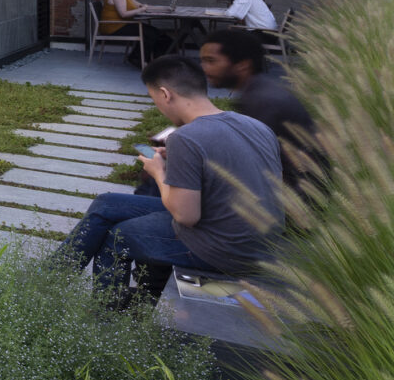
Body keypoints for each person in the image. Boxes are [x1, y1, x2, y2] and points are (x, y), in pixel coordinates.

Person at [57, 55, 283, 297]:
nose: (159, 107)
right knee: (107, 202)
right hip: (258, 241)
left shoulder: (185, 137)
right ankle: (50, 278)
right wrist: (175, 159)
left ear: (165, 94)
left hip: (225, 250)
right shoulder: (255, 125)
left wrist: (158, 171)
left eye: (155, 100)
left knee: (117, 237)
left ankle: (108, 319)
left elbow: (186, 216)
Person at [198, 27, 322, 193]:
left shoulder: (263, 102)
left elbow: (248, 165)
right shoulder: (259, 92)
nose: (204, 68)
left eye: (211, 61)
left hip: (288, 200)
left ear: (242, 65)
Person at [97, 0, 171, 65]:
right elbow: (123, 14)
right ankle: (139, 60)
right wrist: (140, 10)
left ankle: (149, 60)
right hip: (113, 27)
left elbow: (143, 6)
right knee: (151, 33)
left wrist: (165, 8)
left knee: (155, 33)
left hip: (122, 24)